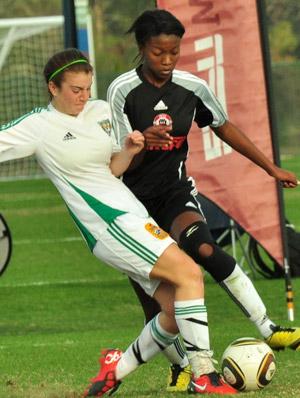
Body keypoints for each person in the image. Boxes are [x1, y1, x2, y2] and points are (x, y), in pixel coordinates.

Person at [0, 48, 238, 396]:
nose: (84, 96)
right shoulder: (38, 126)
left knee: (172, 312)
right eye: (75, 90)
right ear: (53, 88)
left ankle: (115, 370)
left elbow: (113, 169)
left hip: (131, 215)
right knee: (190, 274)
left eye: (88, 87)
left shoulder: (99, 111)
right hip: (109, 224)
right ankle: (203, 373)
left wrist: (128, 148)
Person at [107, 8, 300, 392]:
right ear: (142, 48)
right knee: (159, 304)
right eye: (158, 52)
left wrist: (270, 168)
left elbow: (224, 126)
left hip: (175, 195)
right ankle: (180, 365)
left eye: (174, 52)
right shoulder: (122, 91)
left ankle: (269, 328)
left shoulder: (192, 88)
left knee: (207, 249)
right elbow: (117, 159)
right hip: (130, 206)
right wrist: (143, 141)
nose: (166, 60)